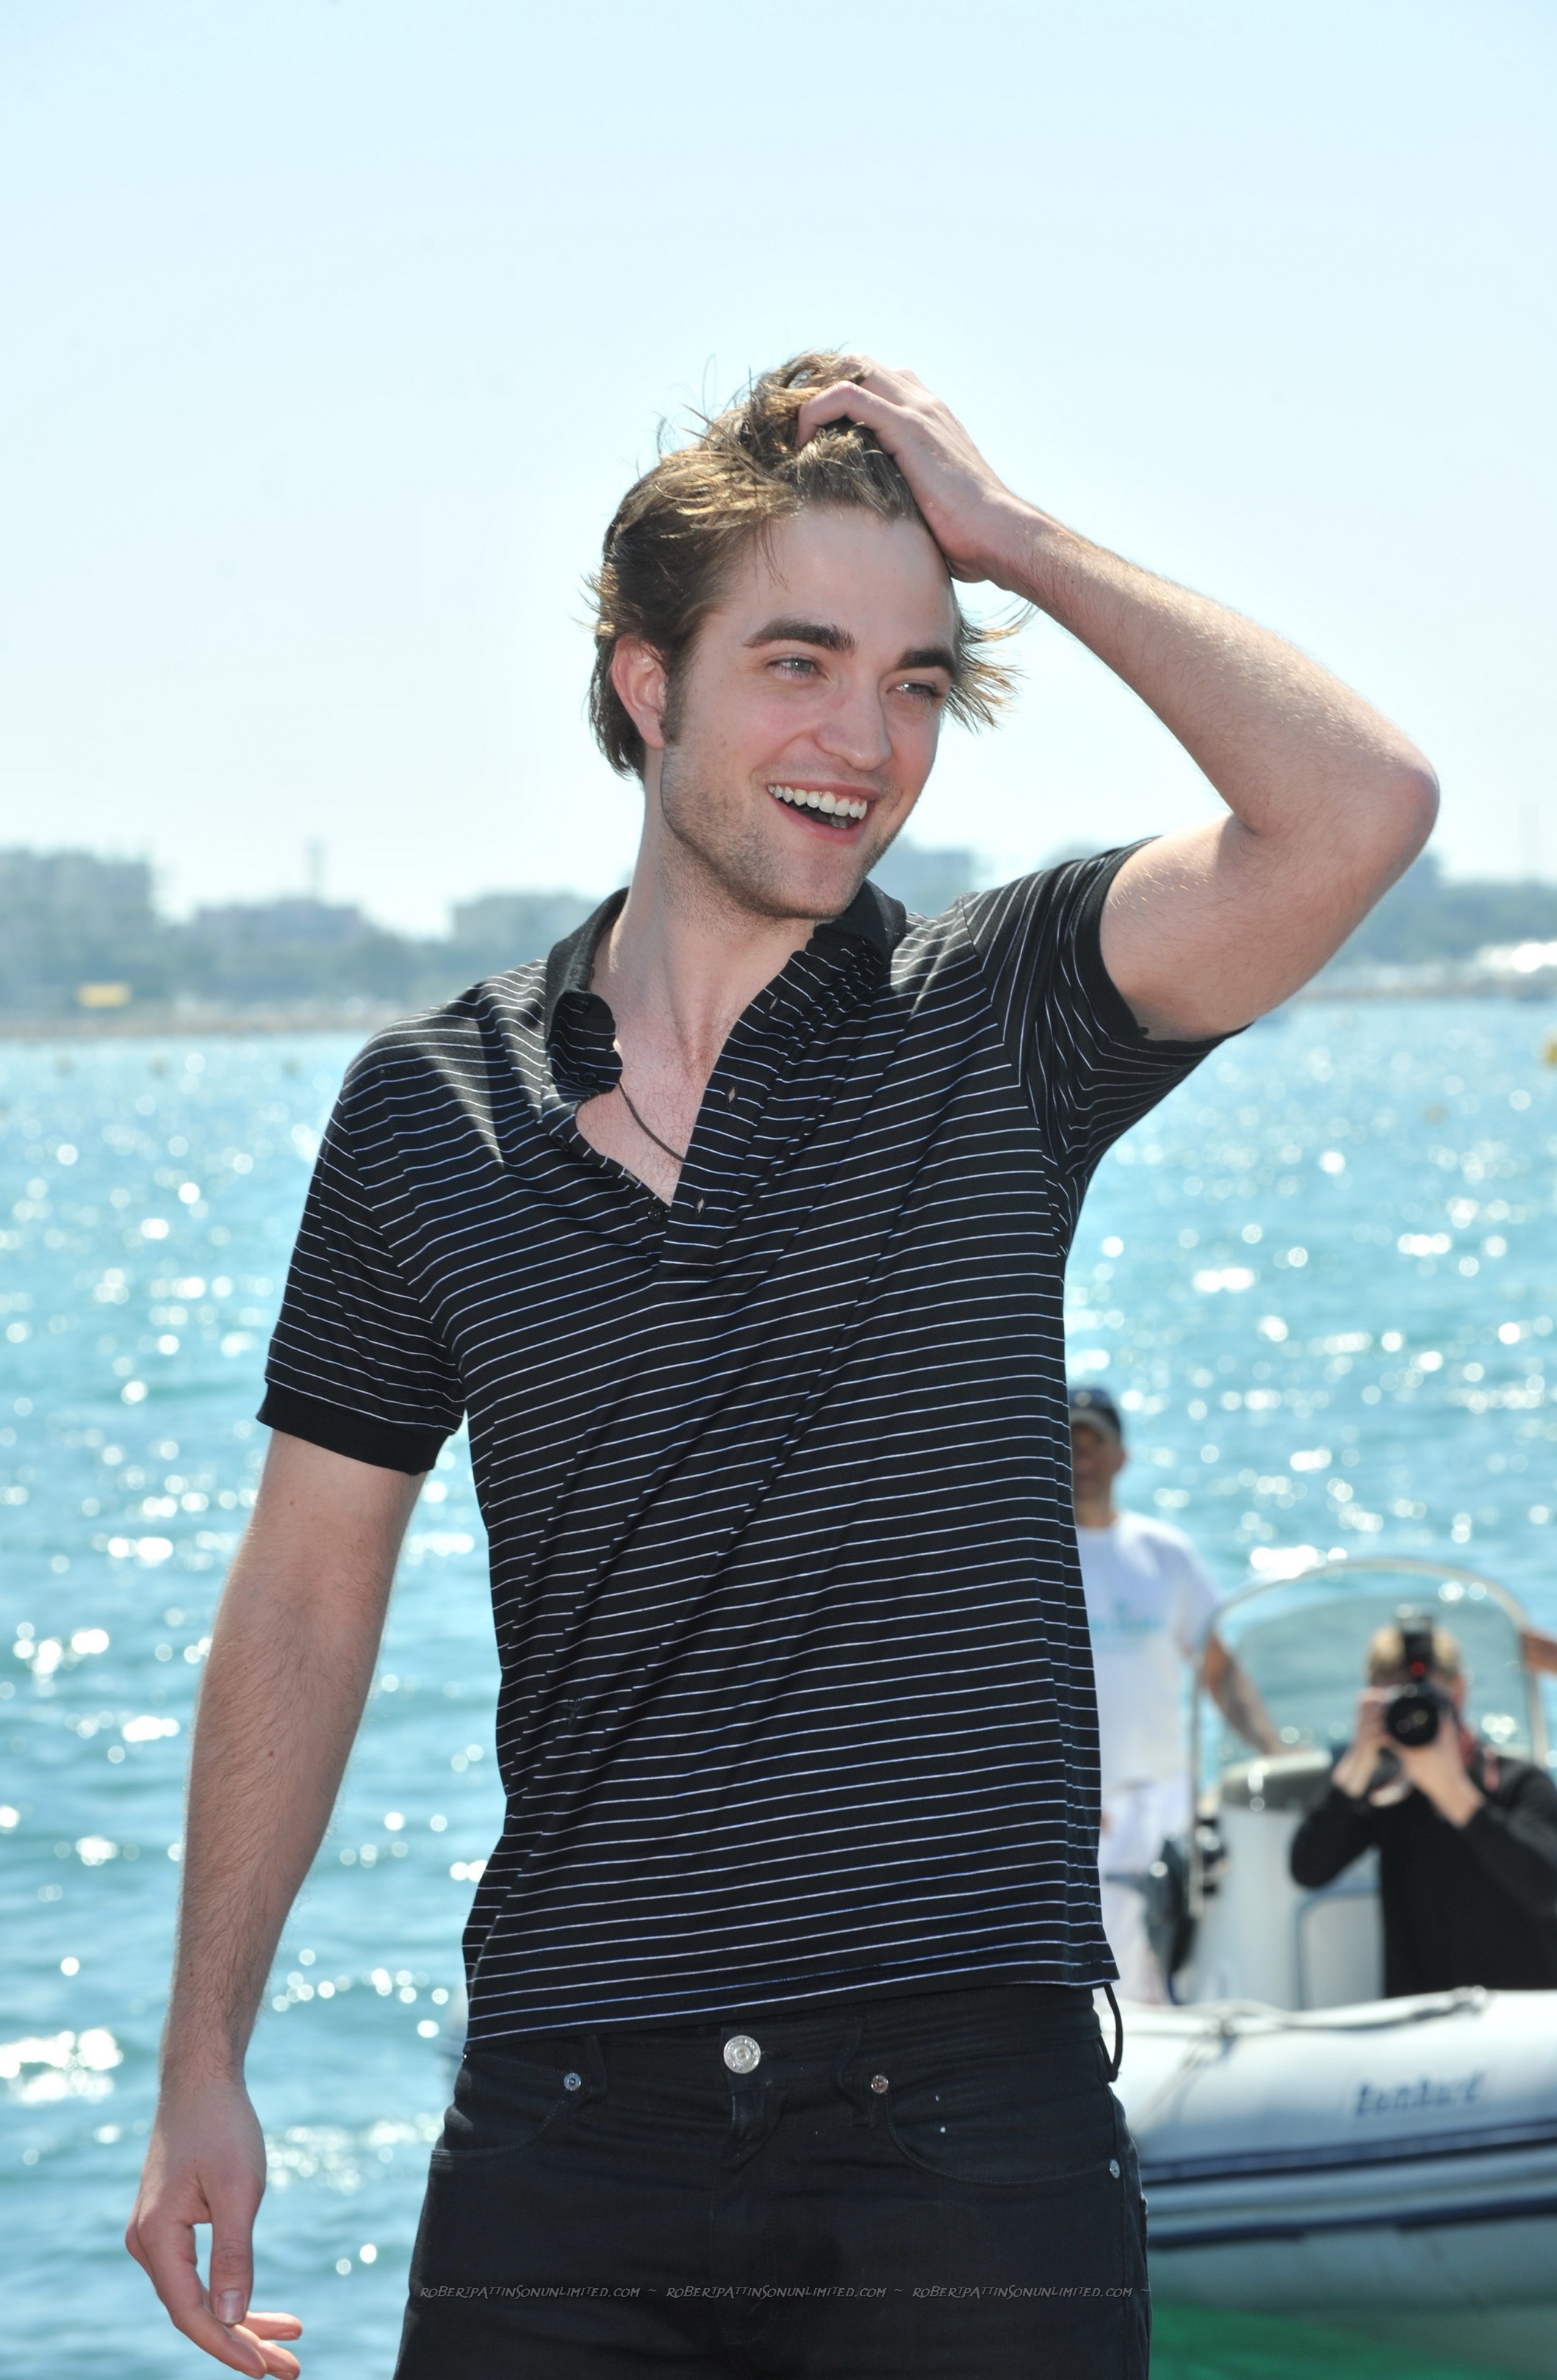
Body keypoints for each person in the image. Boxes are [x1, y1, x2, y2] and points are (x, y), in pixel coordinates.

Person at [126, 351, 1436, 2380]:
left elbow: (1359, 809)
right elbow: (305, 1589)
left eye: (915, 681)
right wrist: (202, 2052)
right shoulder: (424, 1112)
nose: (864, 739)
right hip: (569, 2124)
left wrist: (1015, 544)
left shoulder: (1003, 1013)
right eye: (798, 663)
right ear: (645, 682)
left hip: (968, 2145)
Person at [1071, 1384, 1278, 2001]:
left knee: (1173, 1979)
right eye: (1069, 1444)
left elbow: (1219, 1670)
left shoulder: (1165, 1553)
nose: (1082, 1459)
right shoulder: (1037, 1554)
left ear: (1122, 1456)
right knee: (1100, 1986)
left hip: (1166, 1804)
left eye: (1095, 1444)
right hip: (1083, 1810)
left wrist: (1275, 1754)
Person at [1290, 1620, 1557, 1997]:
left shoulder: (1518, 1783)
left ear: (1460, 1691)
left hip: (1521, 2013)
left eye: (1426, 1699)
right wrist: (1357, 1764)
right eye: (1398, 1701)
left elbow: (1544, 1889)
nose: (1414, 1714)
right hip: (1423, 2017)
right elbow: (1308, 1868)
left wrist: (1453, 1793)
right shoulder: (1384, 1794)